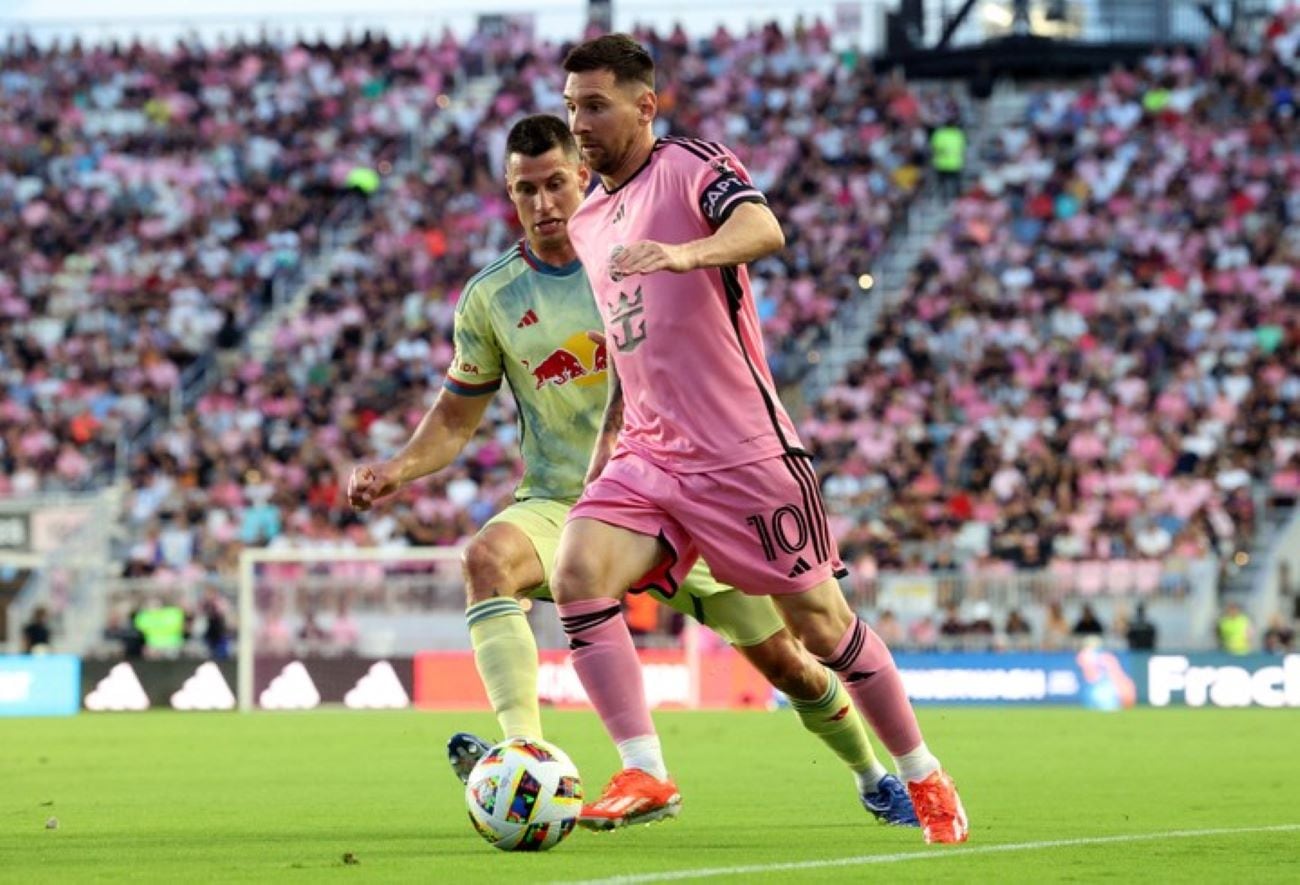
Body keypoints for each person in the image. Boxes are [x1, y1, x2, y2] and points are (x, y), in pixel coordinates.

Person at [348, 114, 918, 828]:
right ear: (509, 194)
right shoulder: (491, 297)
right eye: (527, 189)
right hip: (571, 501)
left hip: (690, 491)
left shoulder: (626, 251)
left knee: (791, 662)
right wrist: (399, 468)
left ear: (582, 176)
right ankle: (526, 752)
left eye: (557, 182)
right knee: (487, 558)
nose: (545, 202)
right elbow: (457, 418)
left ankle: (873, 776)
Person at [553, 35, 966, 844]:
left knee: (821, 628)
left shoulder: (690, 164)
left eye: (595, 105)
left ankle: (923, 774)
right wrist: (609, 441)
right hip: (647, 453)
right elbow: (633, 341)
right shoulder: (588, 218)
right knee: (576, 570)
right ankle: (644, 765)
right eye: (571, 107)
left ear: (646, 105)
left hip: (742, 454)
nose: (581, 122)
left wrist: (684, 254)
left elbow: (762, 227)